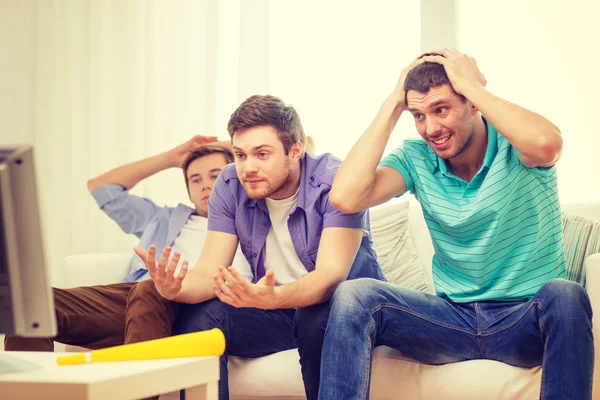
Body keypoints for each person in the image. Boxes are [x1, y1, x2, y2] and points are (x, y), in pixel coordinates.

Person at [319, 49, 593, 400]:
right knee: (355, 295)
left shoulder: (517, 145)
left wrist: (472, 85)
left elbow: (547, 144)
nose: (431, 128)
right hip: (451, 321)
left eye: (441, 109)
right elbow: (346, 197)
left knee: (566, 294)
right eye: (418, 115)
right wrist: (392, 104)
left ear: (473, 103)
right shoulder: (416, 158)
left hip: (524, 319)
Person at [134, 95, 386, 400]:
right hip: (275, 310)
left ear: (295, 150)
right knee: (199, 319)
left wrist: (274, 298)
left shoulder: (336, 180)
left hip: (339, 308)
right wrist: (175, 288)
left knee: (314, 319)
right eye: (240, 155)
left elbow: (331, 277)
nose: (248, 168)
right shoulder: (229, 185)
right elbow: (209, 271)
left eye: (262, 154)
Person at [4, 137, 251, 351]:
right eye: (195, 179)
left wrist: (234, 149)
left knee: (149, 288)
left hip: (206, 305)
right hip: (141, 302)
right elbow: (102, 189)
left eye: (216, 176)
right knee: (31, 305)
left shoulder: (254, 218)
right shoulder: (162, 219)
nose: (206, 185)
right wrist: (170, 158)